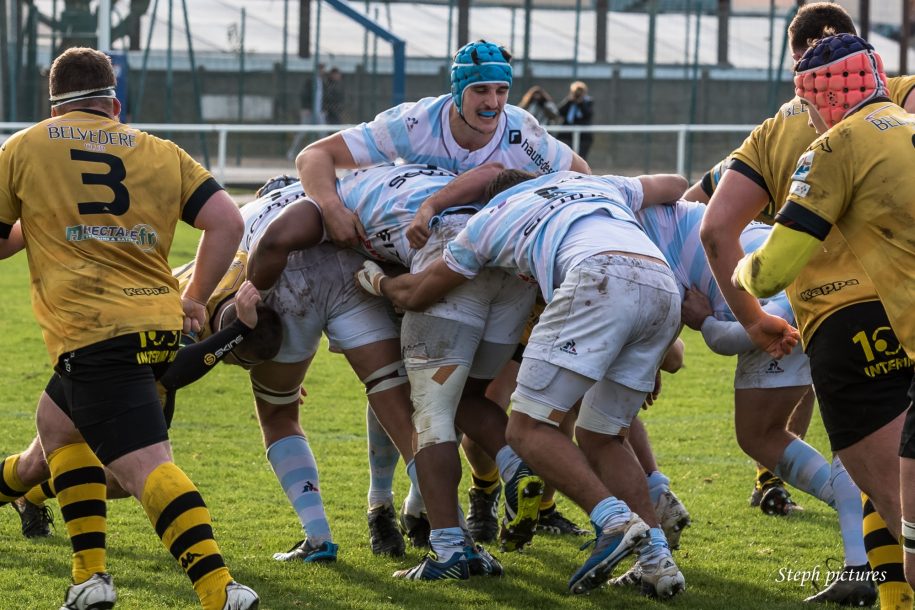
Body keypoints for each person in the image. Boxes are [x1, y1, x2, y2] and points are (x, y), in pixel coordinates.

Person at [0, 47, 257, 609]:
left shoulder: (22, 147)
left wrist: (36, 226)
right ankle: (89, 579)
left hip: (91, 330)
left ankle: (220, 590)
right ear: (114, 103)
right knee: (56, 429)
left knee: (146, 468)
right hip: (157, 325)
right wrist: (194, 297)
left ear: (53, 107)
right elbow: (227, 220)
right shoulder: (160, 151)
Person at [358, 168, 689, 597]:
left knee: (528, 428)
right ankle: (657, 563)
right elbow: (676, 184)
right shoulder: (590, 182)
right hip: (662, 283)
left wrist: (377, 281)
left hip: (598, 278)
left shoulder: (493, 216)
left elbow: (419, 294)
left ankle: (613, 520)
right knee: (605, 436)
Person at [697, 4, 915, 606]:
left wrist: (750, 313)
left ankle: (880, 583)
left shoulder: (792, 132)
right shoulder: (900, 97)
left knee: (895, 496)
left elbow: (715, 227)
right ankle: (877, 584)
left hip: (841, 323)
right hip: (906, 312)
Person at [627, 200, 869, 595]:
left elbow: (728, 338)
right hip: (840, 287)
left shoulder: (646, 244)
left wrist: (701, 322)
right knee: (833, 431)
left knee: (766, 434)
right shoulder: (676, 211)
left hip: (792, 303)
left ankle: (864, 525)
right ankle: (861, 548)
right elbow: (677, 186)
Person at [295, 39, 590, 249]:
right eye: (480, 90)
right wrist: (332, 208)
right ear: (457, 92)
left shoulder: (523, 133)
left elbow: (582, 176)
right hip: (412, 244)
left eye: (502, 91)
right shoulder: (415, 123)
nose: (493, 102)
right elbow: (314, 155)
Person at [557, 81, 594, 161]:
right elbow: (559, 112)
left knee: (581, 158)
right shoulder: (569, 102)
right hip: (567, 135)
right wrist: (569, 101)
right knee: (566, 157)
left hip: (583, 136)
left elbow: (588, 114)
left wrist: (581, 103)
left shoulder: (588, 102)